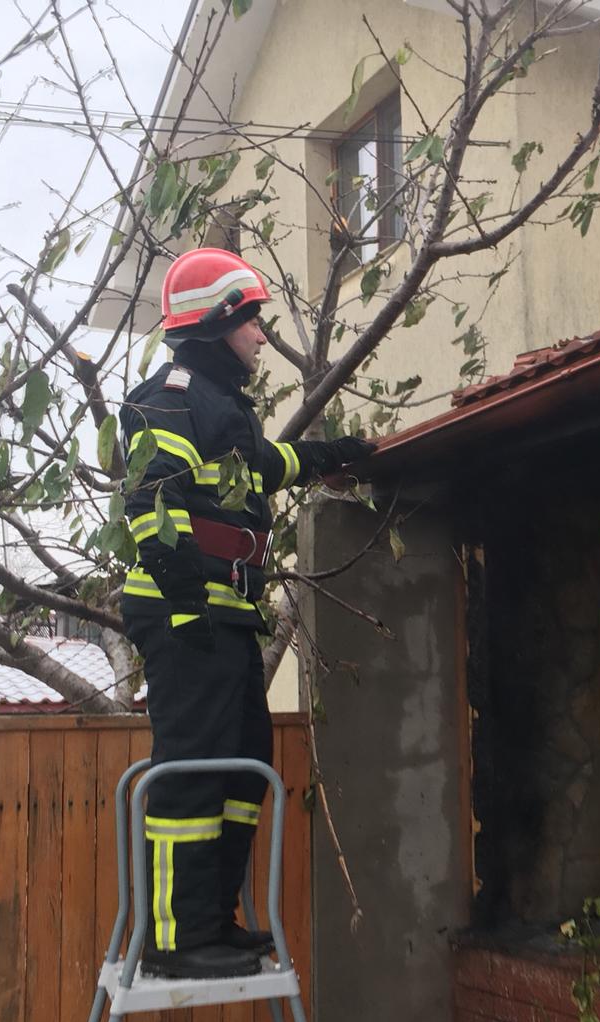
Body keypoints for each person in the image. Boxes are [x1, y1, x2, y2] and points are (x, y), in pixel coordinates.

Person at [121, 247, 374, 979]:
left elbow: (263, 466)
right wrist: (186, 605)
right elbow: (151, 502)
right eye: (251, 322)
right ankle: (176, 938)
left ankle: (213, 921)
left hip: (226, 613)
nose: (261, 337)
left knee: (243, 765)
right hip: (186, 614)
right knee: (193, 770)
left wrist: (334, 456)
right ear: (215, 323)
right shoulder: (170, 397)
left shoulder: (217, 404)